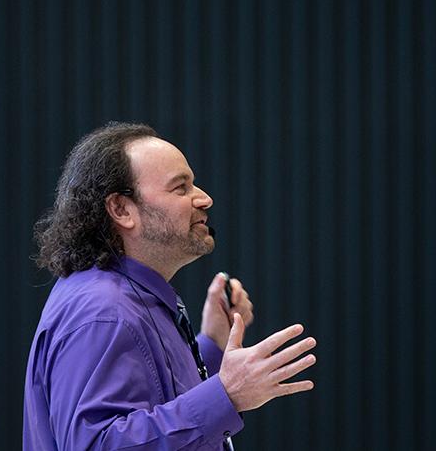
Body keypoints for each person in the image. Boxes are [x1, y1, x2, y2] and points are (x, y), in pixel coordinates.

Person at [23, 122, 316, 450]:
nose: (205, 198)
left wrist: (212, 345)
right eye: (181, 188)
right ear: (121, 209)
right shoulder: (102, 311)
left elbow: (152, 399)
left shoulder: (124, 297)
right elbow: (95, 444)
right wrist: (225, 396)